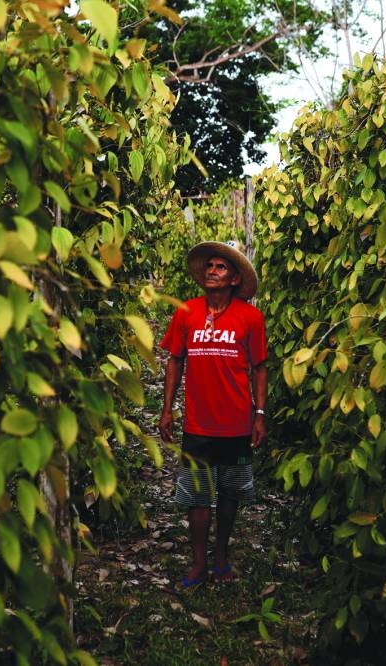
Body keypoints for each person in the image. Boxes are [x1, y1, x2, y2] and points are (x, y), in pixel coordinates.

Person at [158, 239, 268, 591]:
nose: (212, 271)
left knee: (231, 492)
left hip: (236, 423)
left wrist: (260, 414)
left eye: (220, 267)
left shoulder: (250, 317)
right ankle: (199, 563)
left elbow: (260, 367)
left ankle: (221, 556)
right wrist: (167, 409)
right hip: (198, 425)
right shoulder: (186, 312)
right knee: (197, 494)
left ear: (234, 278)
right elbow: (175, 360)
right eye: (209, 266)